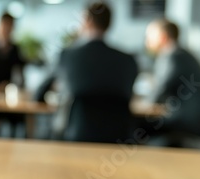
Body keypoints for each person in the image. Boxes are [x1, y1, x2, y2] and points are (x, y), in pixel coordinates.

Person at [38, 3, 138, 143]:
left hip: (75, 137)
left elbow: (40, 91)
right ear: (108, 23)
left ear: (87, 21)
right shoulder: (128, 60)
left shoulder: (68, 55)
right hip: (118, 139)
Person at [144, 19, 200, 143]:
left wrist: (145, 101)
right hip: (193, 119)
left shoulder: (172, 57)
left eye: (150, 36)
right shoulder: (183, 54)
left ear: (163, 37)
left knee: (139, 125)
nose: (147, 41)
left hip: (185, 122)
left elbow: (159, 93)